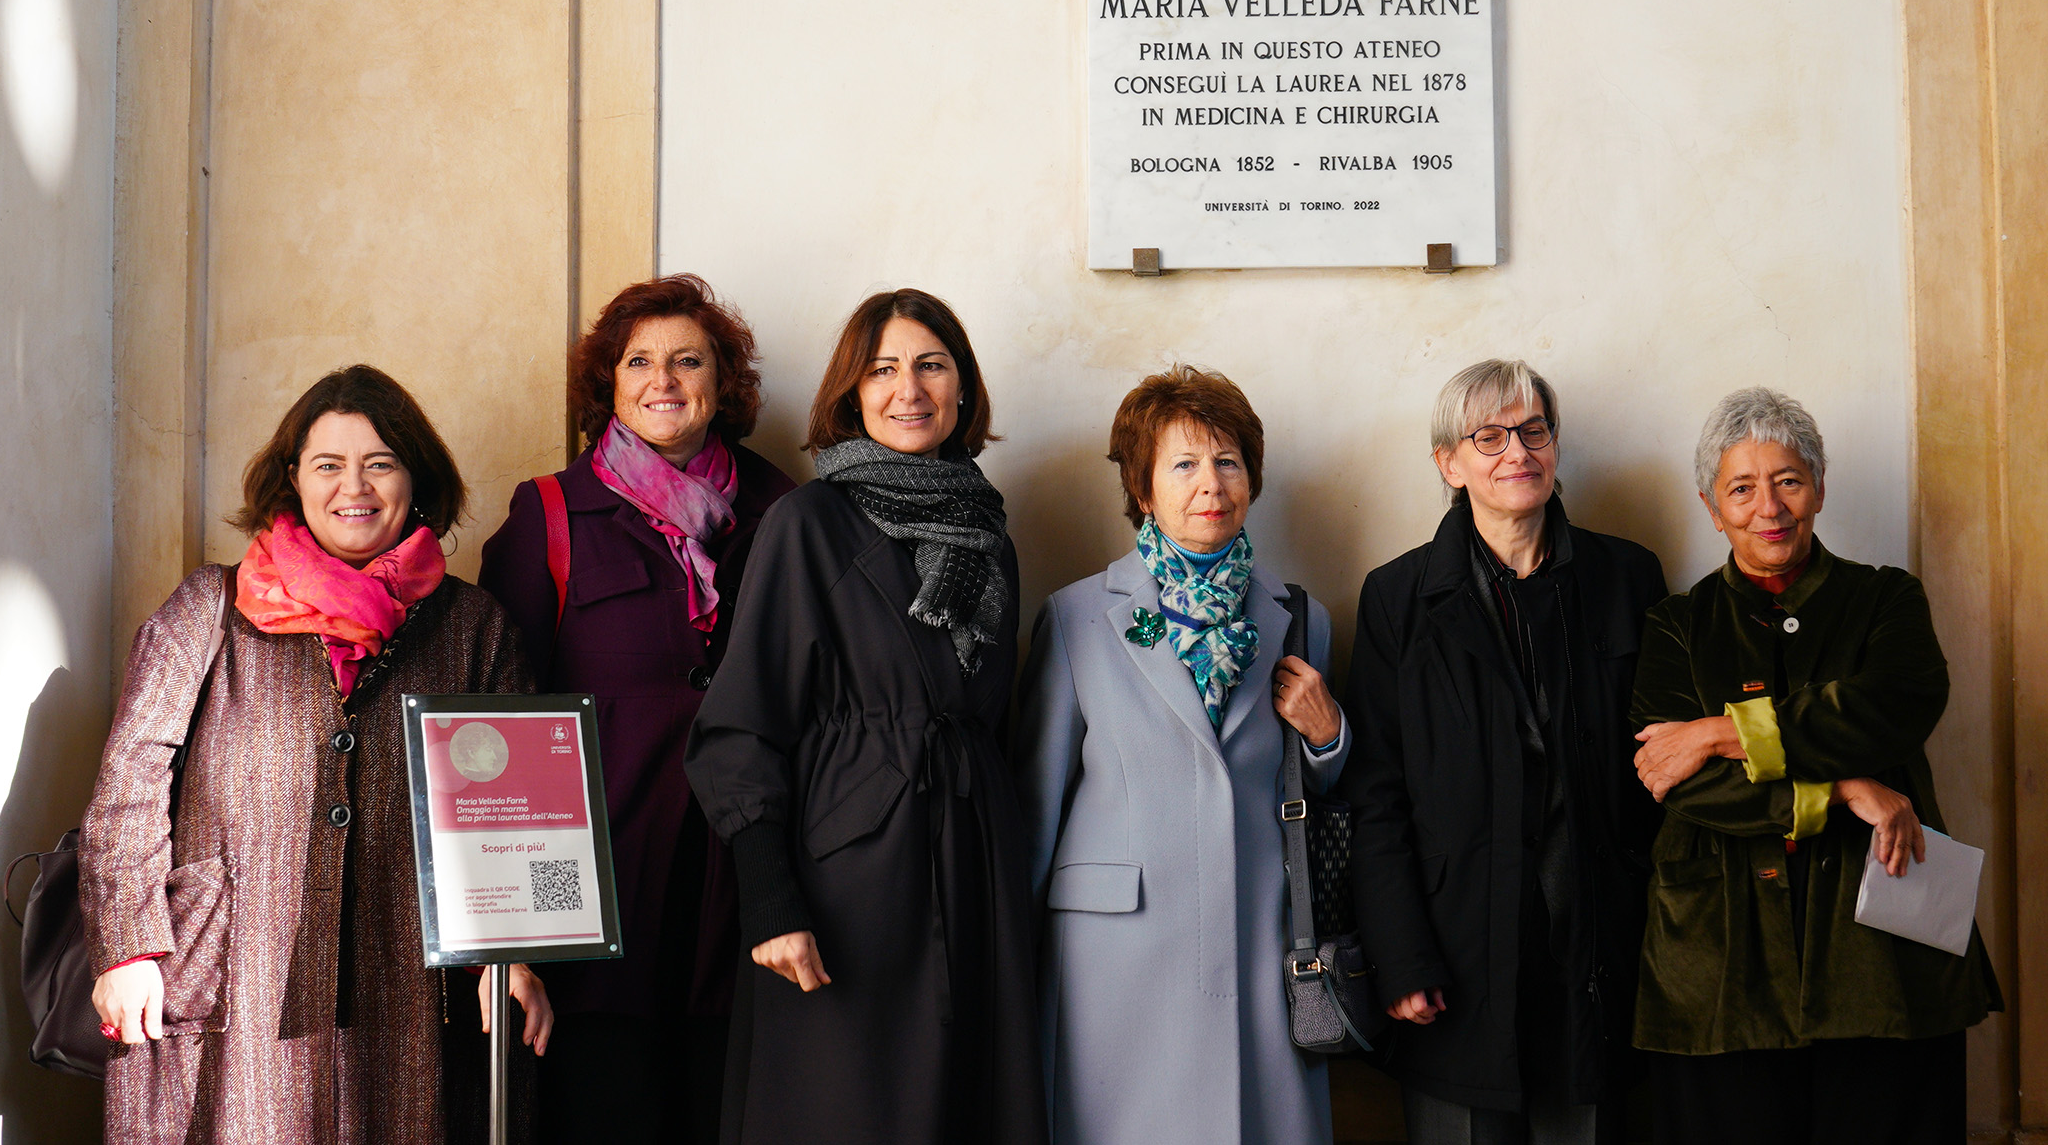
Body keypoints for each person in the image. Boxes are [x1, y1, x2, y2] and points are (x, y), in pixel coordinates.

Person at [82, 365, 547, 1144]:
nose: (352, 486)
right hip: (231, 971)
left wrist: (515, 956)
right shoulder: (209, 606)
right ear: (291, 479)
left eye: (380, 462)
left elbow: (517, 811)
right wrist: (128, 947)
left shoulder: (474, 627)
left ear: (416, 479)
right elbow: (129, 779)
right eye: (328, 464)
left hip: (414, 980)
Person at [684, 289, 1044, 1145]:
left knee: (969, 1106)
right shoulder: (807, 522)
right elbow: (741, 723)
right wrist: (771, 899)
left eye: (930, 365)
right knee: (849, 1105)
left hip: (975, 860)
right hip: (851, 872)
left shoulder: (987, 528)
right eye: (882, 369)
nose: (907, 389)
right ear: (852, 392)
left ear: (963, 388)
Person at [1629, 387, 2000, 1144]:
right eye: (1741, 488)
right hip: (1719, 952)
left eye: (1788, 480)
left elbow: (1888, 707)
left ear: (1820, 487)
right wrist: (1838, 789)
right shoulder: (1675, 625)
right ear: (1710, 506)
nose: (1768, 506)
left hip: (1880, 949)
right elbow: (1678, 781)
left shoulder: (1885, 599)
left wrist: (1719, 732)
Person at [478, 276, 796, 1141]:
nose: (664, 379)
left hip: (740, 890)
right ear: (609, 385)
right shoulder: (549, 512)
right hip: (595, 894)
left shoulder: (785, 512)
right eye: (640, 361)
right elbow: (501, 732)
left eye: (688, 360)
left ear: (721, 382)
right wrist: (508, 938)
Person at [1013, 366, 1347, 1145]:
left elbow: (1318, 787)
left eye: (1228, 461)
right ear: (1142, 488)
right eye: (1184, 464)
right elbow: (1037, 799)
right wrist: (1013, 956)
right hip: (1114, 947)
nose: (1211, 485)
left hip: (1257, 926)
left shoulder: (1298, 616)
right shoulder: (1076, 617)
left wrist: (1330, 734)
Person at [1343, 360, 1667, 1145]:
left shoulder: (1627, 576)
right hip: (1455, 956)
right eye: (1486, 436)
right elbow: (1375, 791)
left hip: (1597, 947)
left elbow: (1662, 763)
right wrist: (1400, 955)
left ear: (1554, 446)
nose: (1514, 452)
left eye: (1531, 431)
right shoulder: (1396, 598)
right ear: (1448, 465)